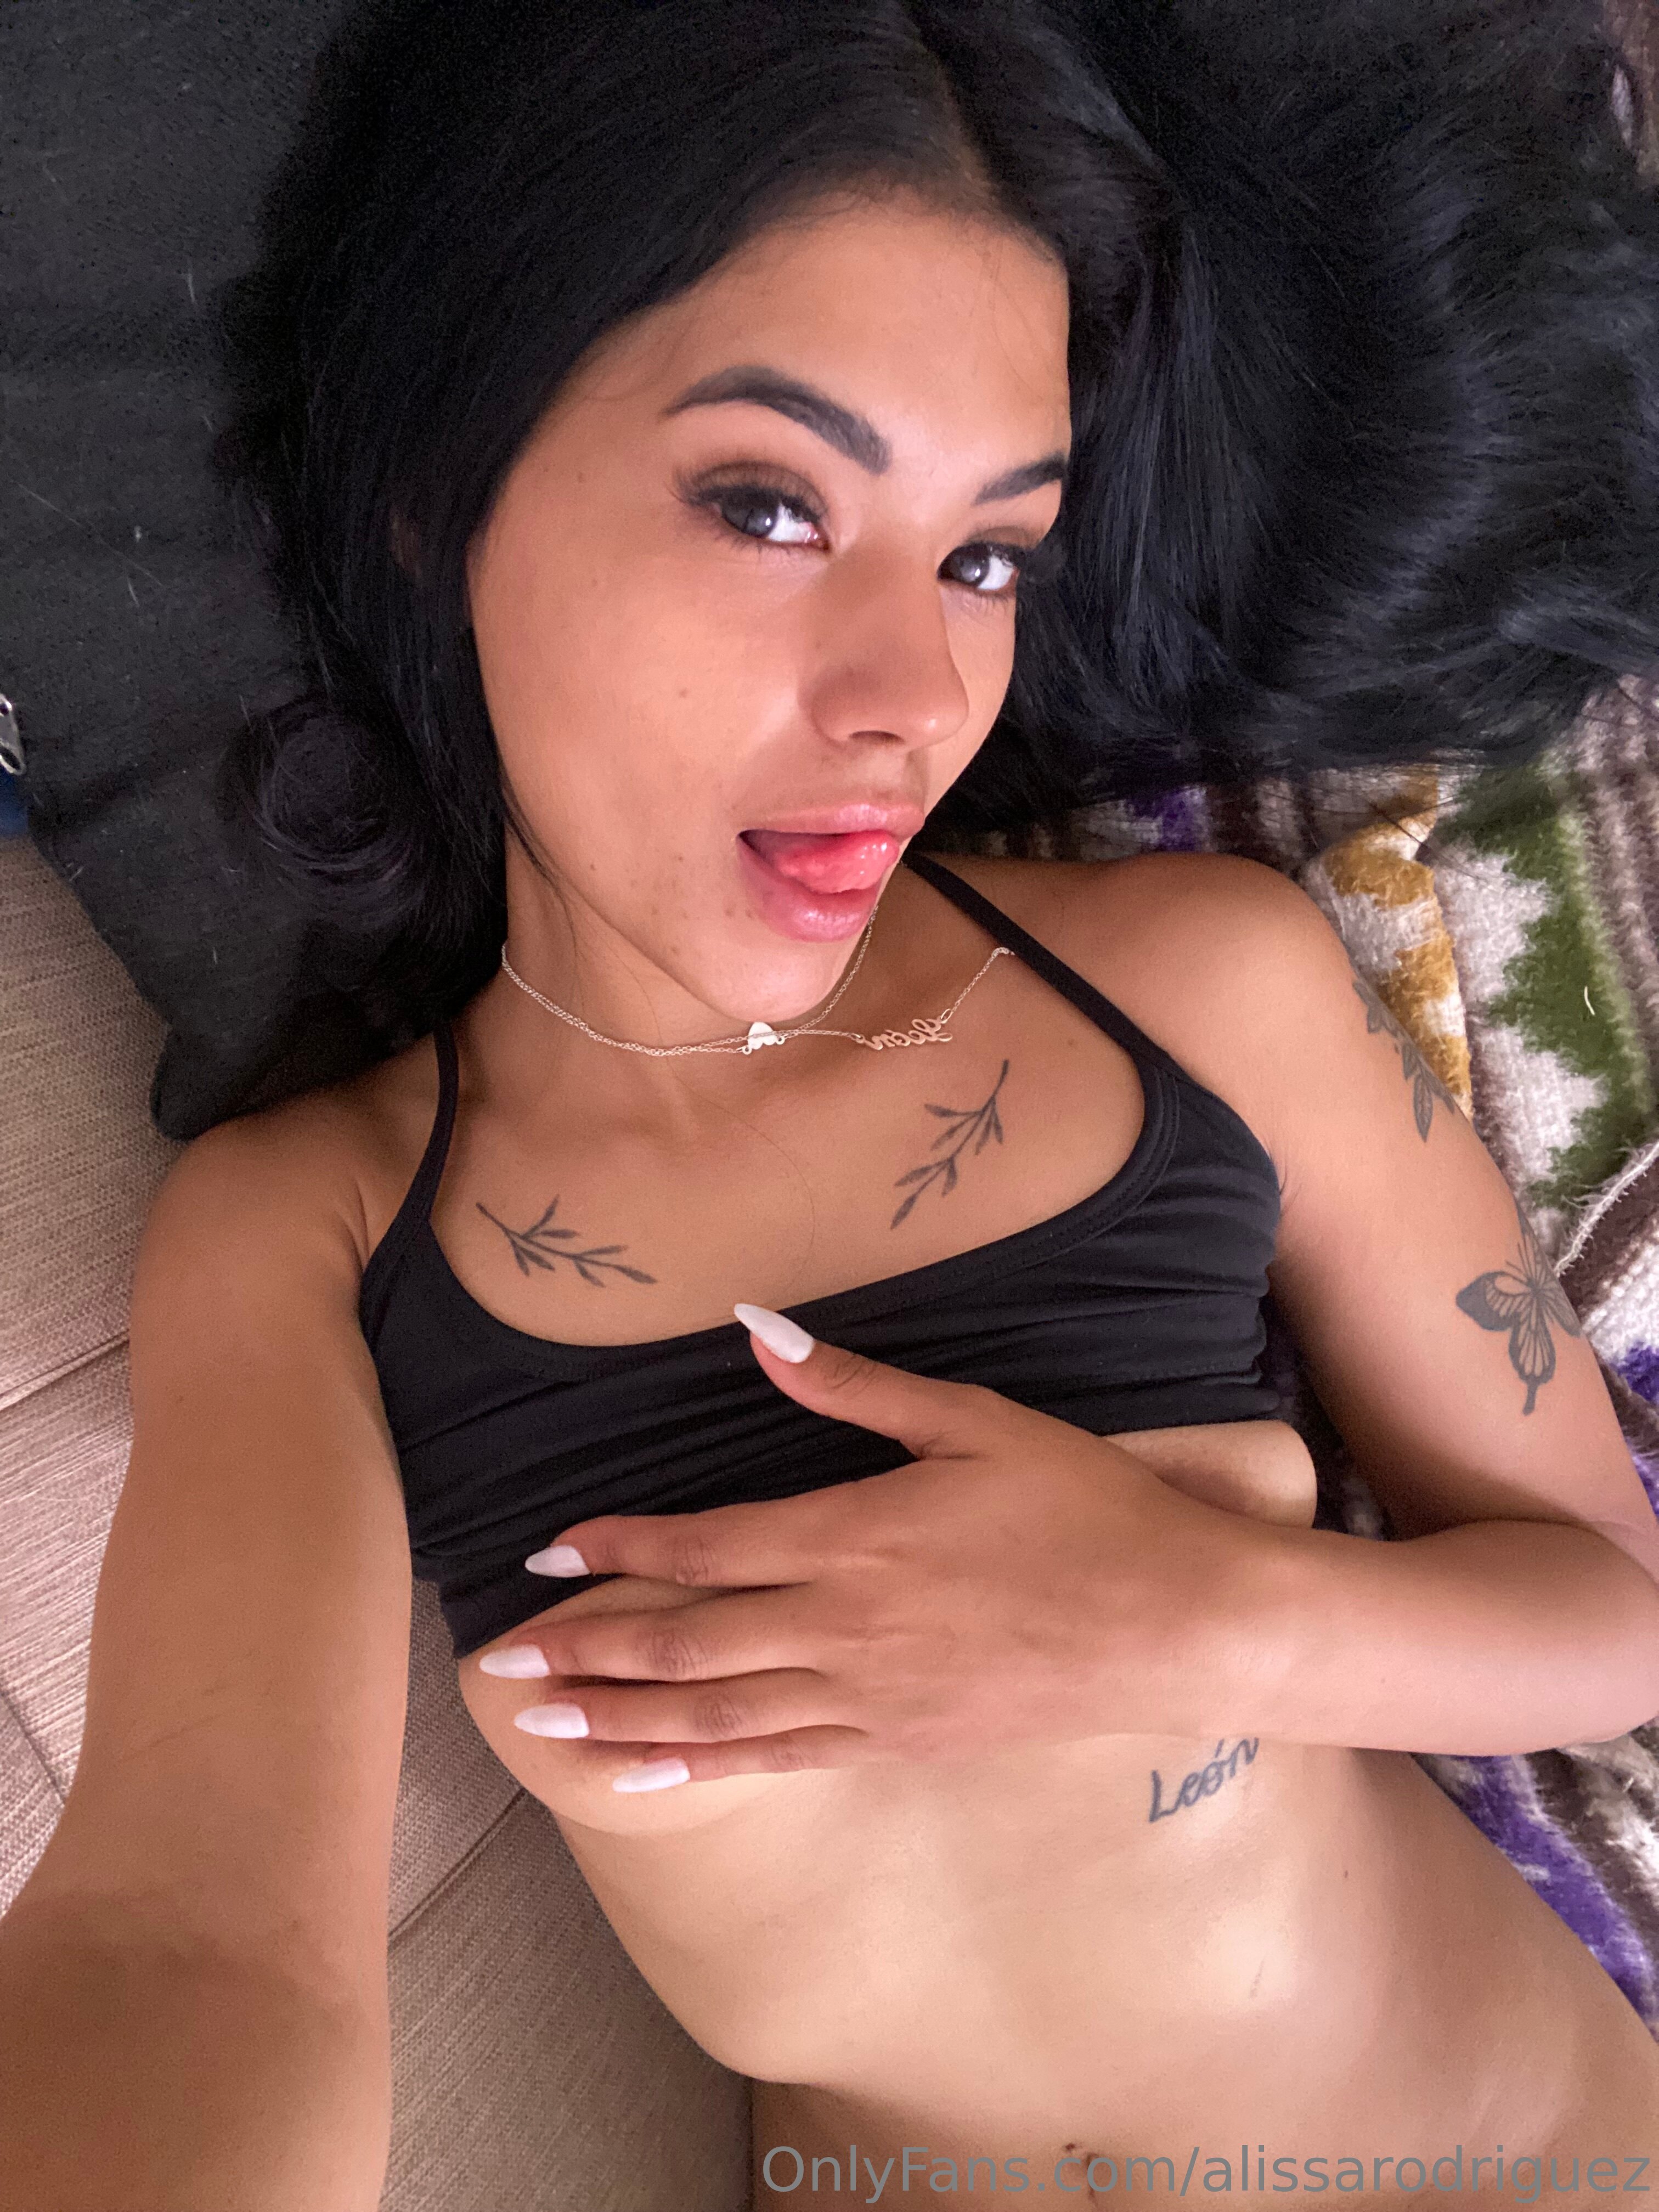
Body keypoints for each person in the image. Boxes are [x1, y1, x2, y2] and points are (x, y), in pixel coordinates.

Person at [3, 2, 1659, 2207]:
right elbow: (192, 1934)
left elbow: (1611, 1609)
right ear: (440, 493)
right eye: (772, 504)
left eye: (987, 557)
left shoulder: (1195, 991)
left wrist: (1177, 1613)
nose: (914, 698)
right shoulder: (312, 1227)